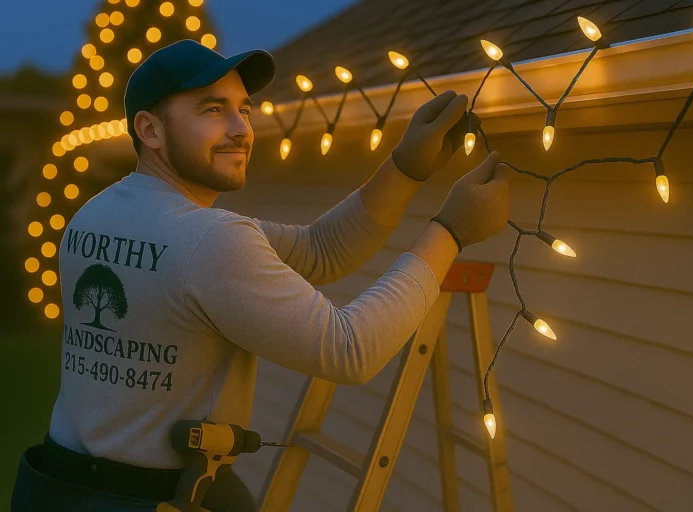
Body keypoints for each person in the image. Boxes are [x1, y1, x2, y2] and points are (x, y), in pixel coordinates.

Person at [10, 38, 513, 512]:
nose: (240, 128)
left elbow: (322, 250)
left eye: (243, 109)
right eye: (212, 109)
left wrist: (404, 169)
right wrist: (451, 231)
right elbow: (350, 348)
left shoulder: (92, 216)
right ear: (150, 130)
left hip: (54, 486)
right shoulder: (209, 240)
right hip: (145, 499)